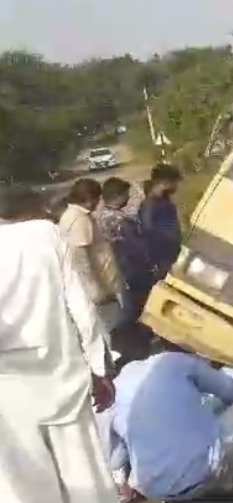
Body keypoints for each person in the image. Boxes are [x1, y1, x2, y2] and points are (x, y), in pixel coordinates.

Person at [0, 185, 119, 503]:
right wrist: (98, 368)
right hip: (63, 377)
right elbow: (81, 307)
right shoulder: (47, 234)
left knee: (26, 485)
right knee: (86, 475)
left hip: (9, 391)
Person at [104, 338, 233, 501]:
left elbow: (117, 459)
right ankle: (224, 484)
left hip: (155, 490)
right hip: (205, 472)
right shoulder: (172, 360)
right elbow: (230, 390)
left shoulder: (112, 397)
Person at [58, 178, 125, 340]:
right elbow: (81, 259)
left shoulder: (77, 215)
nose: (98, 203)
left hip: (103, 286)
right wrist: (96, 291)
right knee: (112, 333)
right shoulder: (78, 219)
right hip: (99, 292)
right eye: (97, 198)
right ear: (88, 198)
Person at [95, 177, 156, 326]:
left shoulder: (102, 215)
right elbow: (136, 246)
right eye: (126, 194)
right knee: (137, 306)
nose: (128, 197)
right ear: (118, 196)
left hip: (122, 267)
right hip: (131, 267)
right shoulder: (118, 220)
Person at [137, 163, 182, 279]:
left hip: (170, 258)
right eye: (175, 183)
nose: (176, 187)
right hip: (162, 261)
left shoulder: (163, 201)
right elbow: (148, 233)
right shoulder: (151, 205)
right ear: (166, 183)